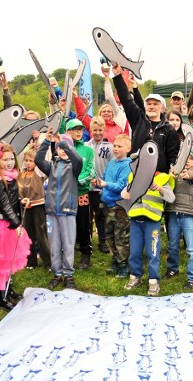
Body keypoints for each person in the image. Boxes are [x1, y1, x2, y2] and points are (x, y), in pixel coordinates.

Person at [0, 143, 31, 310]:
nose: (10, 162)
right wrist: (17, 224)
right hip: (0, 225)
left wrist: (21, 201)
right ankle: (0, 296)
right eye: (6, 160)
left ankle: (7, 288)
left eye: (12, 159)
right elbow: (4, 205)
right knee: (3, 262)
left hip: (9, 222)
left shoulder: (11, 175)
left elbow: (11, 200)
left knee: (10, 258)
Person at [35, 132, 83, 289]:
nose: (62, 150)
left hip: (68, 211)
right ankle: (57, 273)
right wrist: (47, 142)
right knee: (54, 244)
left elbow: (78, 159)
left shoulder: (74, 166)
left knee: (68, 244)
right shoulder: (51, 166)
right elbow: (38, 160)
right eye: (59, 147)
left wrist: (63, 142)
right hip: (51, 212)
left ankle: (68, 274)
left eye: (66, 147)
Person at [112, 63, 180, 173]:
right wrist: (117, 76)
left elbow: (173, 156)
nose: (152, 106)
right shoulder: (138, 120)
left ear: (161, 107)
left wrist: (171, 174)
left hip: (159, 177)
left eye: (155, 104)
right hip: (136, 172)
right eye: (149, 104)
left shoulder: (169, 129)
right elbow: (126, 100)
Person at [122, 166, 176, 297]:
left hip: (152, 222)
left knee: (153, 253)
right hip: (135, 220)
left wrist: (161, 189)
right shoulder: (132, 176)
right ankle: (135, 277)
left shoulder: (162, 177)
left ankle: (153, 281)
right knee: (134, 252)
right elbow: (125, 191)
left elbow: (171, 198)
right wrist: (123, 193)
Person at [94, 134, 132, 278]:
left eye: (119, 146)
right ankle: (116, 260)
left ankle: (124, 265)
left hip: (119, 207)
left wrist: (106, 185)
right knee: (109, 235)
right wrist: (100, 185)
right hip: (107, 204)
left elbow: (122, 185)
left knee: (121, 236)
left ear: (128, 148)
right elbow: (104, 178)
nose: (115, 149)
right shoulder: (111, 162)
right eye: (114, 146)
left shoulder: (127, 165)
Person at [166, 148, 193, 289]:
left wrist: (188, 174)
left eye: (190, 159)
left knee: (192, 248)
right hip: (173, 212)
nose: (187, 161)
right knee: (172, 245)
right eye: (184, 158)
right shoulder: (174, 172)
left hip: (189, 215)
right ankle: (172, 268)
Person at [65, 119, 95, 269]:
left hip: (81, 193)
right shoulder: (62, 149)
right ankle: (66, 253)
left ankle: (85, 253)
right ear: (67, 131)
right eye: (75, 129)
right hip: (66, 194)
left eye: (81, 129)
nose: (78, 132)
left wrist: (80, 179)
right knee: (67, 225)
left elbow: (90, 169)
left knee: (84, 224)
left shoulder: (88, 150)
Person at [18, 149, 52, 269]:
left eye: (31, 161)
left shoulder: (39, 172)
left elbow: (42, 161)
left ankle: (48, 262)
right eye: (26, 160)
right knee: (28, 234)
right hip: (26, 207)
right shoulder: (22, 173)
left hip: (38, 205)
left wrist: (37, 142)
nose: (28, 163)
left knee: (41, 234)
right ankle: (31, 261)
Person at [85, 116, 113, 253]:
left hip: (101, 188)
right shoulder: (85, 146)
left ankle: (103, 241)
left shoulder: (109, 148)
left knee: (101, 215)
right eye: (95, 130)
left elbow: (112, 167)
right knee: (87, 216)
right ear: (90, 130)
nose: (97, 133)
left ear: (104, 130)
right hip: (87, 188)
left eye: (100, 130)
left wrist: (105, 182)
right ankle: (87, 241)